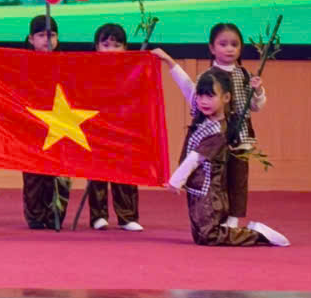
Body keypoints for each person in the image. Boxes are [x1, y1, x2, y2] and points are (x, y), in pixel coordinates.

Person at [152, 53, 288, 247]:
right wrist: (169, 61)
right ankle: (238, 232)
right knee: (201, 236)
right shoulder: (203, 118)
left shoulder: (218, 131)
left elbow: (195, 158)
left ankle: (257, 234)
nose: (203, 101)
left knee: (209, 235)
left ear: (226, 98)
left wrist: (175, 181)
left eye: (210, 96)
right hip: (196, 188)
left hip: (209, 191)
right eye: (200, 96)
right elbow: (186, 86)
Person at [207, 22, 266, 227]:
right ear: (212, 48)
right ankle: (217, 214)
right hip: (216, 135)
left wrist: (257, 91)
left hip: (241, 135)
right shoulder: (207, 76)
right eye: (223, 44)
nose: (229, 49)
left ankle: (233, 218)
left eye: (234, 44)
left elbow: (256, 106)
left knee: (238, 178)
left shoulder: (245, 75)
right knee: (217, 177)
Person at [84, 23, 142, 231]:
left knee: (124, 170)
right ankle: (98, 215)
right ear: (96, 46)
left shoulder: (132, 70)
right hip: (96, 127)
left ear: (125, 48)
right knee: (97, 172)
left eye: (117, 45)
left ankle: (127, 216)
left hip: (122, 127)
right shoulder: (88, 69)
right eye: (106, 45)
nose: (111, 50)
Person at [23, 14, 70, 229]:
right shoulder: (20, 62)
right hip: (31, 124)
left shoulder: (68, 62)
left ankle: (55, 215)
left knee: (59, 171)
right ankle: (35, 216)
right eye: (41, 35)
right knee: (33, 173)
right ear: (31, 39)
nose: (47, 40)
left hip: (61, 123)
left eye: (51, 35)